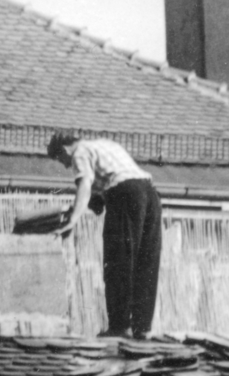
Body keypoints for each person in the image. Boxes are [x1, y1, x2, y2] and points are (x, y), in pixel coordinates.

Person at [47, 133, 163, 340]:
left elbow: (85, 185)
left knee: (119, 261)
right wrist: (91, 204)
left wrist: (73, 218)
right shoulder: (104, 145)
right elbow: (105, 193)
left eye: (61, 160)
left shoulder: (79, 152)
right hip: (150, 194)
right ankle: (142, 328)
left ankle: (119, 327)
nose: (66, 166)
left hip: (125, 194)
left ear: (64, 150)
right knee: (146, 263)